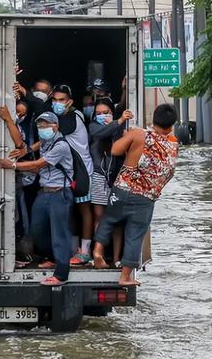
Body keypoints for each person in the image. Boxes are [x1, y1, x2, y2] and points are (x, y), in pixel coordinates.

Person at [93, 104, 179, 286]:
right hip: (146, 199)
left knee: (108, 219)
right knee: (134, 235)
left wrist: (126, 139)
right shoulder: (173, 144)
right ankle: (125, 277)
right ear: (171, 126)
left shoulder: (138, 134)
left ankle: (97, 252)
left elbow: (115, 151)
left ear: (153, 120)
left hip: (123, 190)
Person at [0, 112, 74, 286]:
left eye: (46, 125)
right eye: (40, 126)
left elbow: (37, 164)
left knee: (59, 234)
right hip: (44, 192)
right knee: (37, 230)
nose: (42, 129)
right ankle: (52, 258)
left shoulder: (61, 145)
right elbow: (32, 150)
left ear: (55, 126)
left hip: (59, 193)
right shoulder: (46, 142)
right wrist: (24, 150)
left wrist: (13, 166)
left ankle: (61, 274)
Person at [49, 84, 94, 266]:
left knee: (84, 210)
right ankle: (74, 249)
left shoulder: (70, 119)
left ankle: (85, 252)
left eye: (61, 100)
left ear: (69, 102)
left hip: (82, 171)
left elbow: (50, 134)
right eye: (54, 100)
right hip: (70, 172)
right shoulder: (65, 116)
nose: (57, 104)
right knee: (72, 212)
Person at [89, 99, 134, 267]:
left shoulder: (120, 129)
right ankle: (97, 255)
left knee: (117, 219)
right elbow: (100, 134)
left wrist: (119, 128)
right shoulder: (94, 128)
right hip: (99, 177)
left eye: (105, 112)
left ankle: (116, 258)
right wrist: (117, 122)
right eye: (98, 113)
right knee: (99, 217)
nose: (102, 116)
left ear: (112, 112)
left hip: (117, 178)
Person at [0, 103, 37, 241]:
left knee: (18, 214)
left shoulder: (26, 126)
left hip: (19, 176)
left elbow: (19, 144)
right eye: (17, 112)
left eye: (22, 114)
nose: (19, 115)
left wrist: (9, 119)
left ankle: (21, 246)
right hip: (5, 172)